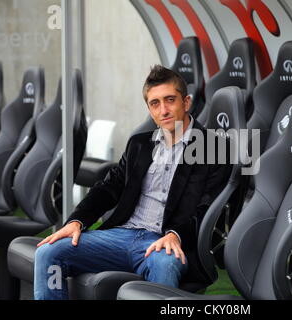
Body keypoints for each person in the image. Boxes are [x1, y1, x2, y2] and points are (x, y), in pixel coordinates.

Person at [33, 65, 232, 300]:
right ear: (149, 109)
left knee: (164, 263)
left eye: (170, 100)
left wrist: (175, 234)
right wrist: (77, 220)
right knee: (48, 252)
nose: (164, 110)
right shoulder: (139, 144)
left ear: (186, 102)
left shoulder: (213, 148)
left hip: (166, 241)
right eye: (155, 103)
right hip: (121, 235)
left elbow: (207, 205)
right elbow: (109, 187)